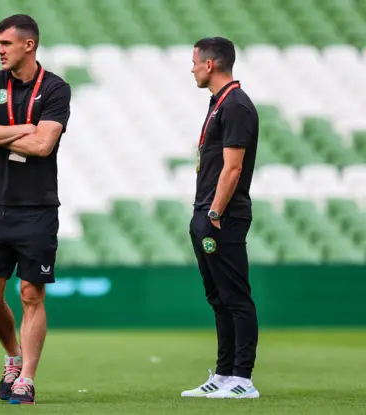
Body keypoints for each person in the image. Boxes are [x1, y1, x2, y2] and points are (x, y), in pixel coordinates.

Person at [0, 14, 71, 405]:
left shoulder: (57, 89)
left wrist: (3, 135)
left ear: (28, 45)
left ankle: (26, 378)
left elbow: (44, 146)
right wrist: (26, 129)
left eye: (5, 44)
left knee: (31, 293)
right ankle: (12, 355)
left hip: (38, 209)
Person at [182, 37, 260, 399]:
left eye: (195, 61)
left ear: (210, 65)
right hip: (207, 212)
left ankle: (243, 379)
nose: (193, 67)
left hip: (221, 215)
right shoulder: (220, 103)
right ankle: (225, 374)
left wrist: (214, 212)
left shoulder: (236, 106)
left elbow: (233, 168)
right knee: (218, 298)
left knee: (236, 297)